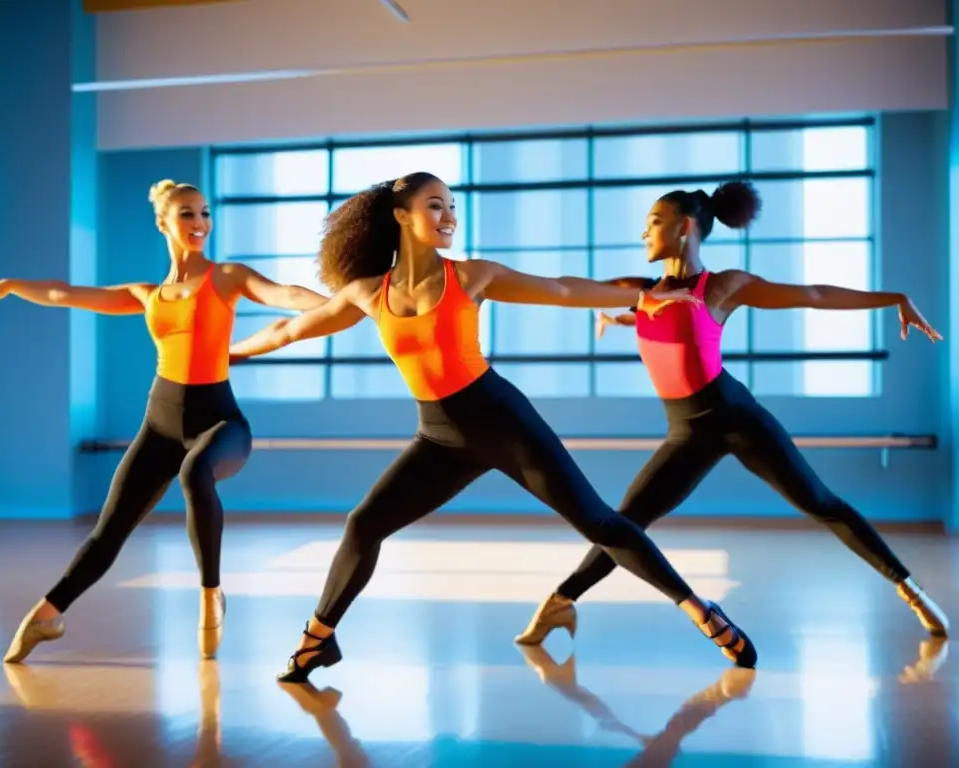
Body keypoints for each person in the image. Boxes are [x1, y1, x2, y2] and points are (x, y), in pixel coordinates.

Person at [229, 172, 758, 683]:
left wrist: (640, 297)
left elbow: (561, 290)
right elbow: (290, 328)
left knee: (598, 522)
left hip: (502, 421)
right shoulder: (369, 293)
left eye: (452, 206)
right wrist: (233, 352)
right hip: (437, 438)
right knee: (363, 526)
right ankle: (318, 638)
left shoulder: (470, 275)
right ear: (400, 215)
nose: (449, 217)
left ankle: (701, 610)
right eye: (436, 205)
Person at [515, 180, 949, 646]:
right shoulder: (639, 292)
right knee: (626, 520)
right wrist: (618, 315)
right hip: (686, 432)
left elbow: (814, 295)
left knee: (820, 502)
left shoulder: (721, 287)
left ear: (684, 228)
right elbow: (565, 290)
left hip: (737, 419)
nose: (644, 234)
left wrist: (893, 298)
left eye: (654, 223)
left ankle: (913, 591)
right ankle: (560, 603)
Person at [0, 179, 329, 663]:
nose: (200, 223)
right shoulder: (147, 294)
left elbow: (284, 294)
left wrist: (338, 305)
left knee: (196, 473)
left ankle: (211, 592)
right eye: (188, 214)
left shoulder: (227, 276)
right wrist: (10, 287)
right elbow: (64, 293)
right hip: (160, 425)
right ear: (164, 223)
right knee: (109, 530)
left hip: (220, 424)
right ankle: (47, 614)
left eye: (205, 213)